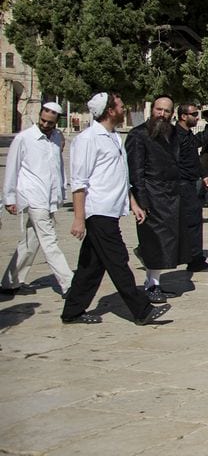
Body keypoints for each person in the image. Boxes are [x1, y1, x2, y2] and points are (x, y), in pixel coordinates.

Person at [61, 92, 169, 326]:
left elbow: (119, 176)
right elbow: (79, 182)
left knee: (91, 266)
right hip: (98, 211)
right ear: (110, 110)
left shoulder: (112, 137)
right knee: (118, 260)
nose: (124, 108)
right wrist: (79, 218)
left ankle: (72, 311)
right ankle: (141, 310)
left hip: (111, 208)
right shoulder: (88, 139)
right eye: (120, 105)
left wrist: (133, 203)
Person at [2, 102, 73, 296]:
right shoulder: (24, 138)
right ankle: (69, 283)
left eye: (50, 122)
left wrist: (61, 190)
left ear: (57, 121)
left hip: (49, 196)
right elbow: (12, 168)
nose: (46, 124)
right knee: (49, 240)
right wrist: (9, 198)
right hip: (33, 196)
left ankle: (10, 281)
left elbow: (56, 167)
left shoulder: (58, 137)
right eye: (43, 120)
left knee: (30, 241)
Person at [126, 95, 184, 303]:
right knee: (155, 241)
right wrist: (141, 201)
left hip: (170, 195)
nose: (162, 114)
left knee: (166, 242)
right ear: (152, 110)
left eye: (166, 111)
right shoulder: (138, 134)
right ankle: (151, 286)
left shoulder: (172, 133)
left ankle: (155, 282)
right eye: (159, 110)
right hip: (151, 194)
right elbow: (136, 170)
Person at [175, 101, 208, 272]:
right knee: (190, 221)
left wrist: (203, 176)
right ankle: (194, 259)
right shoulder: (176, 135)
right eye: (194, 114)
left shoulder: (185, 134)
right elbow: (198, 142)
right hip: (181, 184)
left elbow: (193, 153)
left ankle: (194, 257)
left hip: (189, 182)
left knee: (190, 221)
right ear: (183, 116)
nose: (197, 117)